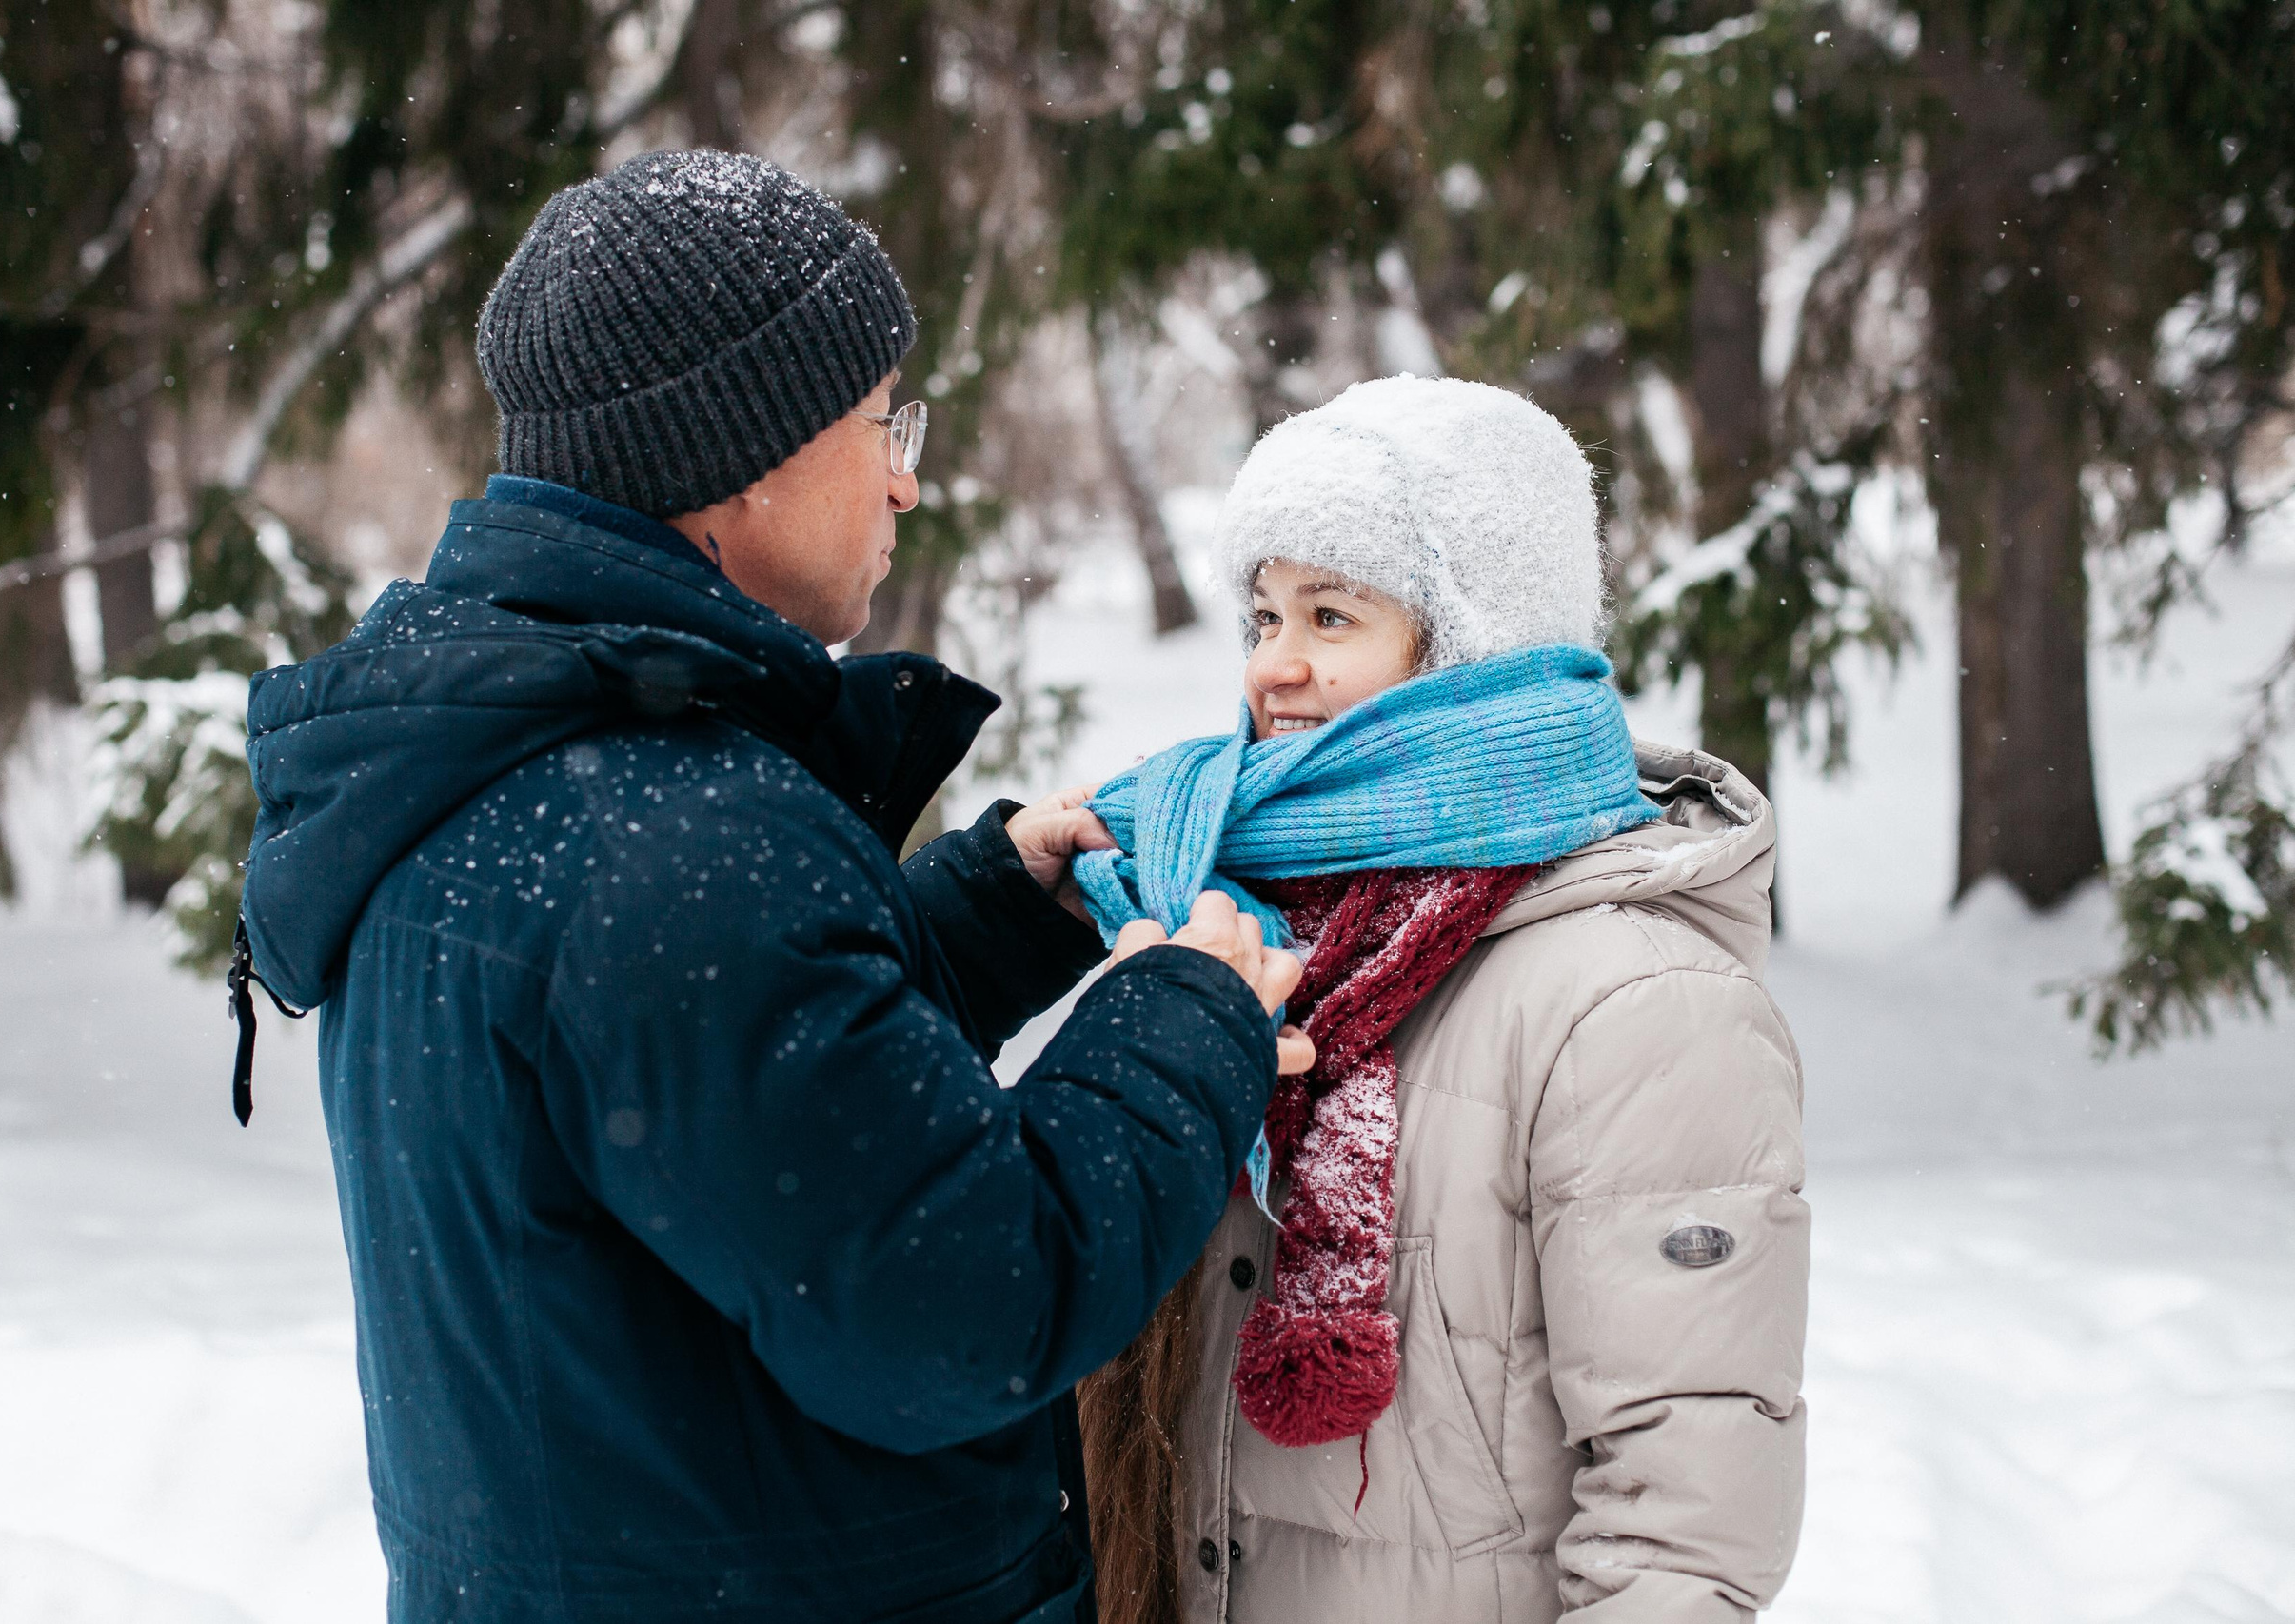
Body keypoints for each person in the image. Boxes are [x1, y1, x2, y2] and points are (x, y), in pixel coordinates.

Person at [234, 149, 1312, 1624]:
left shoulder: (499, 761)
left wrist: (983, 912)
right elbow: (970, 1306)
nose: (906, 477)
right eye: (879, 422)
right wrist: (1184, 1022)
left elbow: (713, 1111)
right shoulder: (669, 844)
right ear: (742, 455)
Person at [1070, 376, 1810, 1624]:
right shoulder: (1231, 932)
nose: (1275, 665)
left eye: (1332, 613)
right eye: (1262, 614)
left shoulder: (1635, 1005)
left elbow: (1686, 1526)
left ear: (1472, 648)